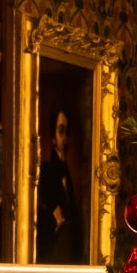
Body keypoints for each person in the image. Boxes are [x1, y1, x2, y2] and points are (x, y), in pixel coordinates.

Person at [35, 107, 82, 262]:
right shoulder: (46, 171)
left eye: (67, 132)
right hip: (53, 251)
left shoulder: (68, 173)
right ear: (53, 137)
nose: (65, 138)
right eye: (61, 131)